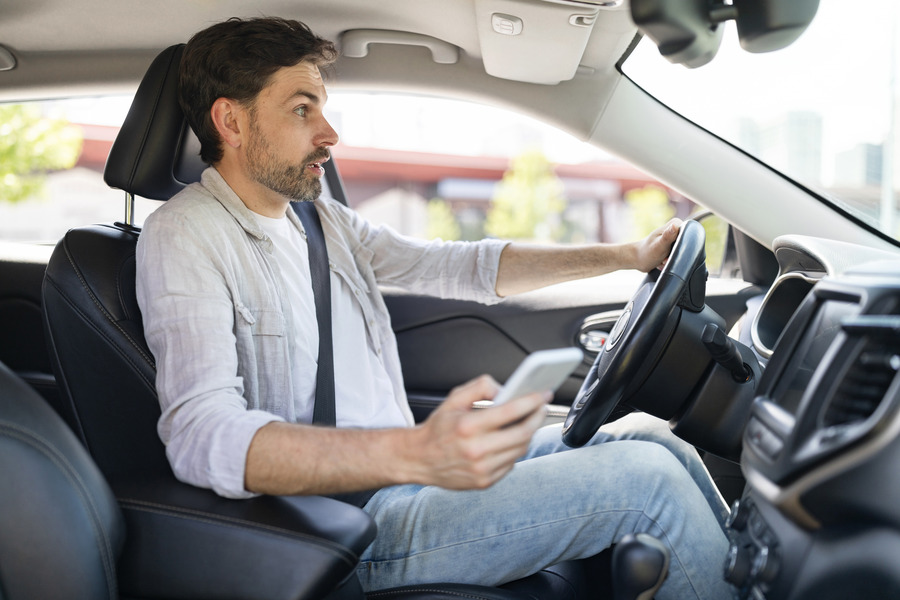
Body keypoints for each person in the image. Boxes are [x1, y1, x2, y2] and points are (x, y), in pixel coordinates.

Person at [136, 16, 736, 600]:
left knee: (652, 437)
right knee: (645, 483)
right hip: (349, 526)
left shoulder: (319, 222)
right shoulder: (186, 236)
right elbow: (199, 437)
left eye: (322, 107)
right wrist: (415, 451)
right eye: (301, 109)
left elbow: (460, 265)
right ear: (231, 120)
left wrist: (626, 254)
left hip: (404, 479)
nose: (330, 133)